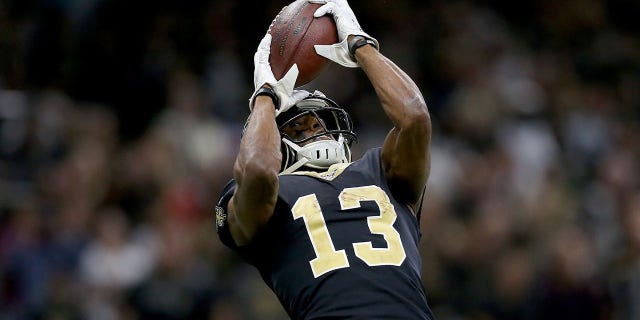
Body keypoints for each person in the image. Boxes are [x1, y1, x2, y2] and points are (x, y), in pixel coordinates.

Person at [214, 0, 435, 318]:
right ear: (273, 141)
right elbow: (258, 170)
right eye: (299, 126)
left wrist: (360, 44)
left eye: (321, 123)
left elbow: (415, 117)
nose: (316, 128)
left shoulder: (380, 170)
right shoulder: (258, 193)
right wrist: (265, 95)